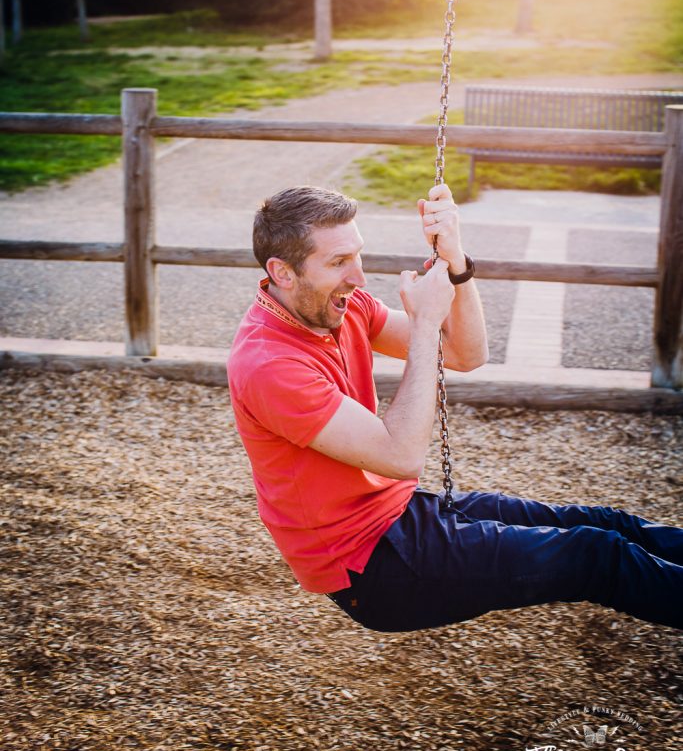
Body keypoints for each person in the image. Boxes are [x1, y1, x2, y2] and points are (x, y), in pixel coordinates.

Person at [227, 184, 683, 632]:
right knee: (597, 555)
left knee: (604, 523)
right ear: (282, 272)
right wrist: (425, 320)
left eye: (357, 255)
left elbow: (466, 354)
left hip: (402, 512)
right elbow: (401, 456)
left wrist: (457, 262)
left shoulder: (341, 306)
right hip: (372, 566)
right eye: (338, 262)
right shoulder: (269, 364)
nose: (359, 277)